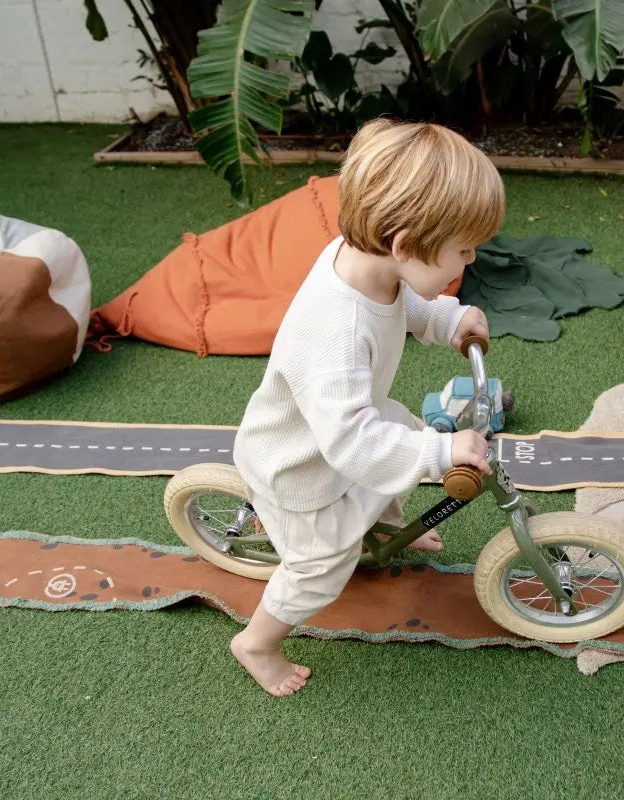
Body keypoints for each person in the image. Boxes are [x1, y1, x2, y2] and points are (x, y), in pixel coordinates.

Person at [230, 118, 505, 696]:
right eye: (461, 249)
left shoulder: (367, 262)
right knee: (320, 568)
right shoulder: (336, 330)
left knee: (401, 430)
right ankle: (256, 643)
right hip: (301, 466)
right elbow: (353, 443)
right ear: (404, 246)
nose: (471, 258)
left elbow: (404, 300)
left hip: (341, 431)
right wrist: (440, 451)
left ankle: (383, 525)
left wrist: (448, 318)